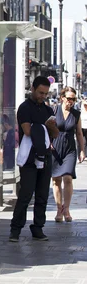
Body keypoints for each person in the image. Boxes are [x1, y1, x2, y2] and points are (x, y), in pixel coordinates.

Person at [9, 76, 59, 242]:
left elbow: (55, 134)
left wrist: (50, 128)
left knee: (42, 195)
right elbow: (28, 130)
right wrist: (46, 127)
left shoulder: (48, 110)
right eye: (40, 92)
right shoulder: (25, 108)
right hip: (29, 157)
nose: (42, 96)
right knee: (25, 194)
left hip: (45, 156)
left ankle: (38, 228)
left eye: (45, 93)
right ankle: (15, 229)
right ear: (32, 89)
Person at [51, 87, 85, 222]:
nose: (71, 101)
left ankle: (67, 209)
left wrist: (82, 150)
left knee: (68, 178)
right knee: (56, 180)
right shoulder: (53, 110)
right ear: (62, 98)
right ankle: (59, 209)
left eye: (73, 99)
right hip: (55, 148)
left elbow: (79, 133)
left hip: (70, 149)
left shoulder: (76, 114)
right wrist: (48, 141)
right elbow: (47, 127)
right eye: (69, 98)